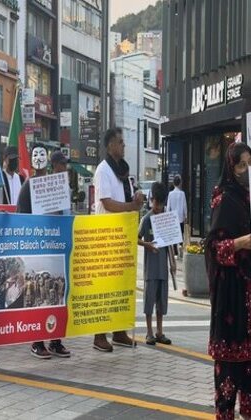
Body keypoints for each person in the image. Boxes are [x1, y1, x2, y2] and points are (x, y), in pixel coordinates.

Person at [205, 142, 251, 420]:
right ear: (230, 166)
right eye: (240, 165)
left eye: (250, 163)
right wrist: (239, 243)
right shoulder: (223, 198)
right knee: (227, 376)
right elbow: (211, 247)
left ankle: (250, 414)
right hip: (232, 297)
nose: (246, 170)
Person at [92, 127, 144, 352]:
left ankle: (120, 331)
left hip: (122, 236)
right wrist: (131, 206)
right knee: (105, 286)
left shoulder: (123, 170)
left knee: (121, 285)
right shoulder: (104, 169)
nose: (123, 146)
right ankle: (99, 335)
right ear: (110, 145)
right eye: (120, 142)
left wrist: (137, 198)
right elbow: (107, 203)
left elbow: (125, 199)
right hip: (106, 235)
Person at [17, 147, 71, 359]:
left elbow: (64, 216)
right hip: (37, 249)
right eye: (61, 165)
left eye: (65, 166)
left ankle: (55, 340)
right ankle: (37, 341)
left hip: (56, 248)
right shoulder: (29, 186)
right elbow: (21, 217)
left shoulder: (59, 188)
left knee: (57, 296)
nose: (64, 169)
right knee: (39, 297)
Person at [138, 182, 175, 346]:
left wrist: (173, 262)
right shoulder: (146, 219)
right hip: (150, 270)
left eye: (161, 203)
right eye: (156, 203)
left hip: (163, 270)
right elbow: (135, 238)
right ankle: (149, 332)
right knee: (149, 301)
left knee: (161, 302)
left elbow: (171, 243)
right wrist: (147, 245)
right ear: (151, 200)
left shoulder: (166, 218)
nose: (158, 206)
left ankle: (160, 332)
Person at [166, 175, 187, 259]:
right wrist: (186, 215)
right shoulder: (182, 193)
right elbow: (185, 205)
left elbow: (168, 207)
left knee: (174, 235)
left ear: (173, 183)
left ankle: (175, 253)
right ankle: (181, 247)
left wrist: (168, 216)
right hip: (180, 217)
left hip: (173, 217)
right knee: (181, 233)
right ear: (180, 183)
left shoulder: (170, 194)